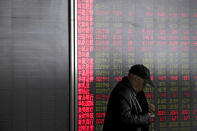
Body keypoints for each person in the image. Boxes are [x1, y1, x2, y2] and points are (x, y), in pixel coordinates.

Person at [103, 64, 156, 131]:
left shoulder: (130, 90)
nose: (145, 85)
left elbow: (131, 110)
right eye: (144, 82)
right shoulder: (123, 92)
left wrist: (145, 109)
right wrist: (146, 118)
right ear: (135, 79)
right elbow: (125, 119)